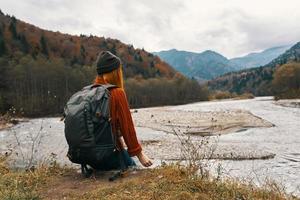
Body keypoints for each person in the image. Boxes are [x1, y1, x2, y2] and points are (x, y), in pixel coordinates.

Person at [93, 51, 153, 169]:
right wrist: (139, 154)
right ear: (115, 72)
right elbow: (127, 127)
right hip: (109, 153)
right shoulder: (116, 93)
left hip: (89, 155)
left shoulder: (91, 91)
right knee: (133, 168)